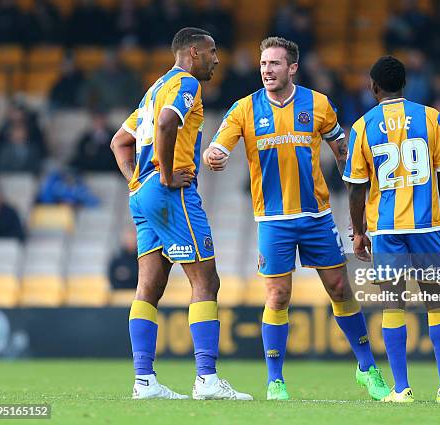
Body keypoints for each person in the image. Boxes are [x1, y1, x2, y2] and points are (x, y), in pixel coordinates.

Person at [204, 37, 389, 401]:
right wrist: (214, 154)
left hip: (317, 216)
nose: (267, 71)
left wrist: (358, 200)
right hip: (273, 220)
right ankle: (276, 380)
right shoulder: (244, 109)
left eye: (274, 64)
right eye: (263, 64)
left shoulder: (317, 104)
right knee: (278, 295)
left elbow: (342, 151)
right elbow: (219, 144)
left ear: (291, 68)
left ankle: (367, 368)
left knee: (339, 288)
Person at [110, 27, 252, 401]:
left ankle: (145, 381)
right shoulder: (186, 83)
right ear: (193, 53)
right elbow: (167, 123)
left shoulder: (153, 90)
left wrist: (136, 180)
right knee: (206, 280)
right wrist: (168, 173)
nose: (217, 59)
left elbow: (119, 142)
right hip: (169, 192)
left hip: (142, 193)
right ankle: (206, 379)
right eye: (212, 52)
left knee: (149, 286)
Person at [343, 55, 440, 403]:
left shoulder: (362, 126)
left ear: (374, 87)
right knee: (439, 305)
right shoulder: (430, 117)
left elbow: (356, 186)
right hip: (426, 226)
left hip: (386, 231)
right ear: (405, 85)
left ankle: (401, 389)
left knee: (393, 307)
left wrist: (358, 231)